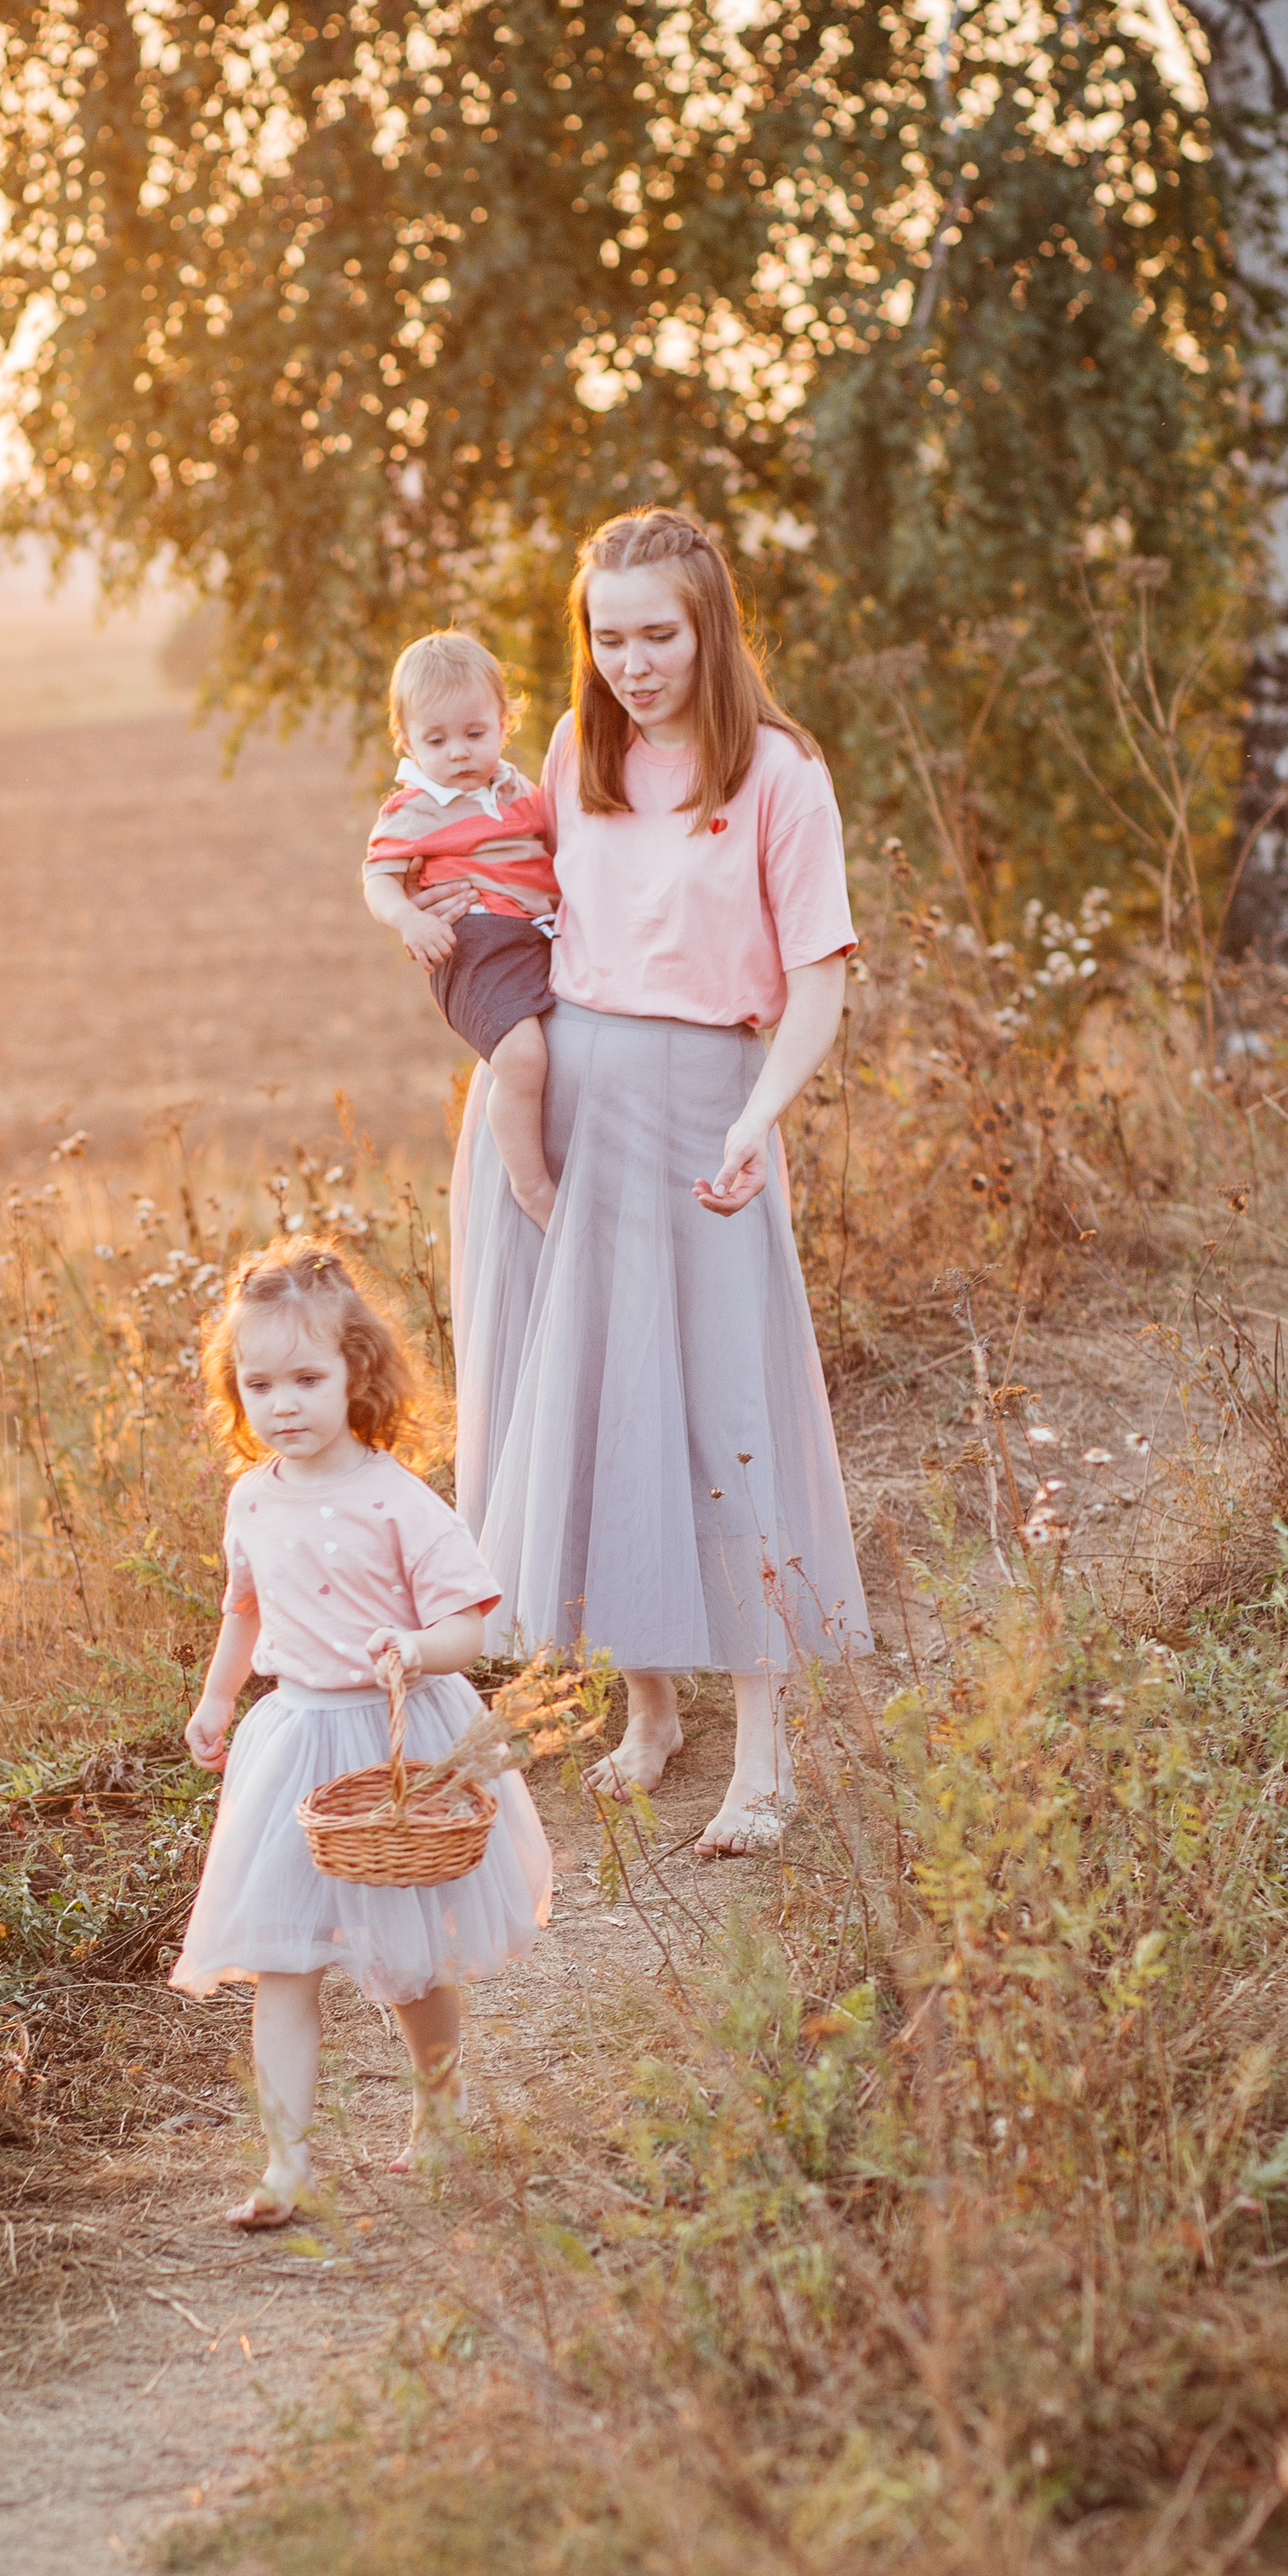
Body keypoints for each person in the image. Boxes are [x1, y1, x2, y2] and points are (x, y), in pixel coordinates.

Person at [439, 508, 874, 1858]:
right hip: (555, 1119)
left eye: (657, 636)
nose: (632, 664)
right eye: (607, 636)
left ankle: (765, 1752)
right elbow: (496, 884)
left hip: (700, 1122)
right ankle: (650, 1712)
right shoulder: (578, 751)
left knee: (714, 1415)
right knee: (583, 1402)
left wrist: (757, 1118)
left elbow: (818, 983)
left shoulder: (782, 776)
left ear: (710, 627)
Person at [169, 1238, 552, 2228]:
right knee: (281, 1958)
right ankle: (285, 2161)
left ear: (356, 1374)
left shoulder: (394, 1497)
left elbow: (472, 1623)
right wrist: (217, 1701)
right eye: (259, 1384)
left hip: (399, 1740)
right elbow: (244, 1611)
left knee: (411, 1957)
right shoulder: (251, 1497)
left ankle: (440, 2109)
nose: (282, 1404)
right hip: (294, 1743)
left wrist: (417, 1649)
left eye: (306, 1378)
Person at [362, 631, 562, 1228]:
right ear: (406, 741)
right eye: (436, 740)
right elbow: (378, 879)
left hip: (540, 938)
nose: (458, 753)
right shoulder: (413, 807)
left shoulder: (519, 791)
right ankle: (530, 1186)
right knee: (523, 1058)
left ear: (504, 721)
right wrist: (410, 918)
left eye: (475, 734)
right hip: (472, 945)